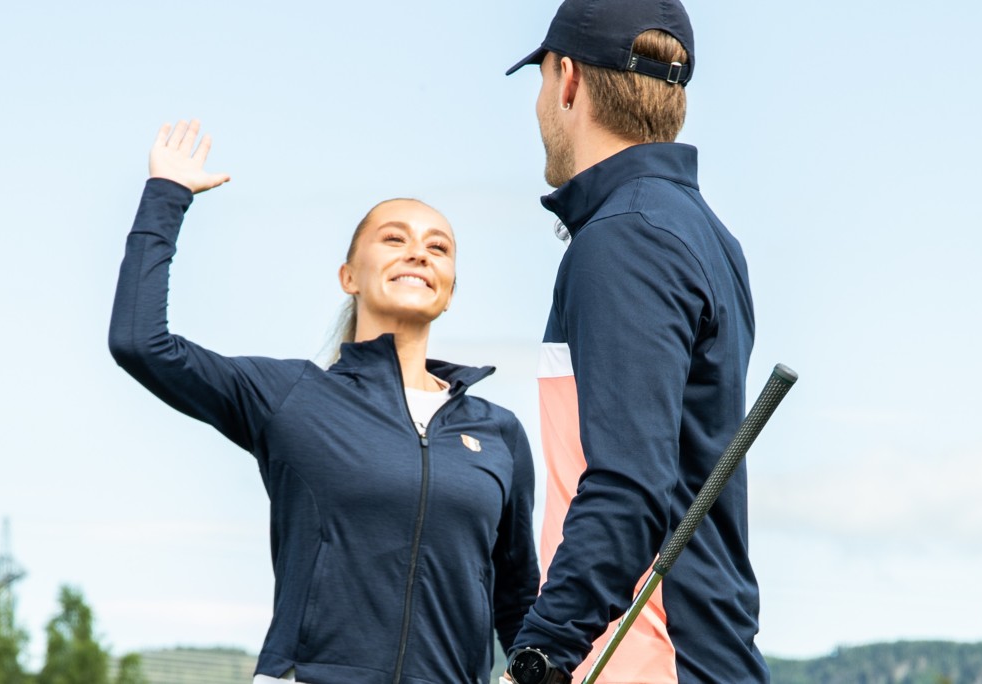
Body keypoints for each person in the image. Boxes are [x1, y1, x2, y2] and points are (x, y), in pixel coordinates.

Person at [108, 119, 540, 684]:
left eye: (438, 248)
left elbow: (516, 600)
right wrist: (167, 195)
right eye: (394, 239)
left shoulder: (498, 432)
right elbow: (140, 344)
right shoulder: (292, 396)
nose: (418, 254)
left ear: (450, 291)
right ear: (348, 277)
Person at [501, 1, 765, 683]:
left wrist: (540, 655)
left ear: (568, 81)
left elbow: (629, 487)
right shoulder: (699, 232)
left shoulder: (626, 237)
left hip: (648, 661)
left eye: (541, 81)